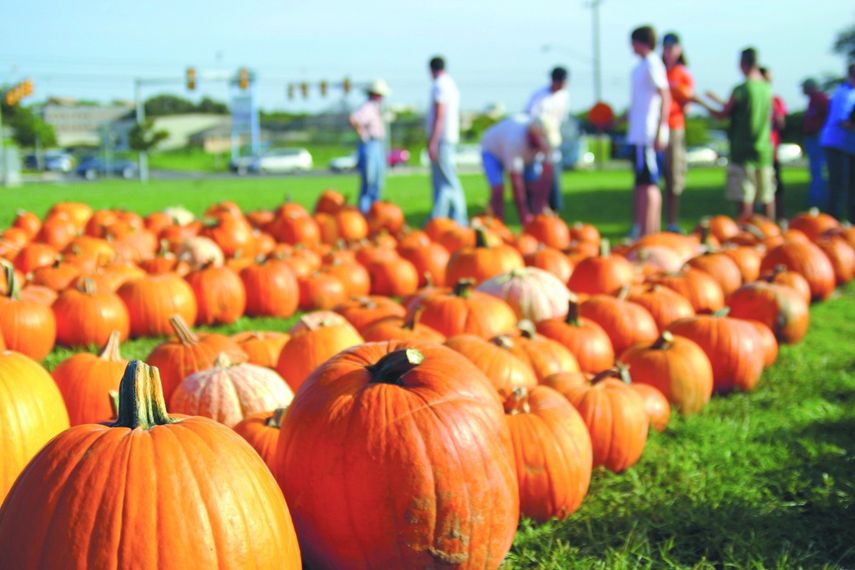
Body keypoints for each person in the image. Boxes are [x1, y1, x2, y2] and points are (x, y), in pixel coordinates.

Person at [695, 47, 775, 221]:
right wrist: (716, 99)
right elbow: (740, 110)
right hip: (764, 150)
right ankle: (771, 233)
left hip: (743, 151)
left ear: (743, 64)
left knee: (744, 197)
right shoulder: (766, 88)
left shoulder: (741, 89)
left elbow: (723, 114)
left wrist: (700, 102)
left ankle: (744, 234)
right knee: (767, 196)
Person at [627, 25, 670, 238]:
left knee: (649, 183)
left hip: (648, 133)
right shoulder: (642, 65)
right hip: (638, 133)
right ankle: (643, 229)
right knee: (642, 184)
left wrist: (662, 127)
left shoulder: (653, 63)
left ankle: (651, 232)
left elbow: (665, 95)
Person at [480, 113, 560, 225]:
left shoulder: (549, 145)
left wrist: (541, 204)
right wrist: (525, 216)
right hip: (492, 151)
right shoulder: (515, 140)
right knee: (498, 188)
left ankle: (535, 218)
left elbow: (546, 178)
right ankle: (497, 224)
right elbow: (516, 183)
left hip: (525, 154)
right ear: (535, 134)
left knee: (532, 185)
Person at [426, 56, 467, 225]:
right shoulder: (450, 83)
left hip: (442, 138)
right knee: (443, 181)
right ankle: (440, 218)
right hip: (448, 137)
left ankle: (458, 218)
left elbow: (439, 114)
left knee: (447, 179)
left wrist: (433, 141)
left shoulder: (439, 85)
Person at [660, 32, 694, 233]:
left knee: (674, 177)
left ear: (679, 50)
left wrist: (682, 99)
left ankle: (672, 221)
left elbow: (687, 106)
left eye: (672, 48)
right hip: (656, 128)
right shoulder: (658, 71)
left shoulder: (682, 74)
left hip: (674, 128)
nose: (668, 52)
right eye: (665, 48)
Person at [524, 66, 569, 213]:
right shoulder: (539, 96)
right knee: (534, 176)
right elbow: (530, 118)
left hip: (553, 139)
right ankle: (535, 210)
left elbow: (562, 120)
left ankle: (553, 209)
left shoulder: (564, 96)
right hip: (538, 139)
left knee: (553, 175)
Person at [819, 63, 855, 222]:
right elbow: (844, 122)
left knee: (851, 186)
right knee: (838, 186)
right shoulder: (844, 94)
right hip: (837, 144)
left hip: (849, 146)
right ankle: (832, 223)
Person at [349, 79, 390, 213]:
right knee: (370, 182)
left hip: (378, 144)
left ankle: (375, 211)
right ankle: (365, 213)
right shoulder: (367, 107)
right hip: (370, 144)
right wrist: (362, 133)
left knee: (378, 182)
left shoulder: (377, 108)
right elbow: (354, 119)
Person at [760, 67, 788, 219]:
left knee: (775, 186)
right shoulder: (767, 98)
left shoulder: (775, 100)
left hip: (772, 148)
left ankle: (778, 217)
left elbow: (781, 122)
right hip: (762, 148)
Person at [802, 78, 830, 209]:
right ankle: (816, 200)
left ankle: (819, 202)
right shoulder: (813, 99)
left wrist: (821, 131)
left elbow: (828, 116)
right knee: (815, 170)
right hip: (812, 137)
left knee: (818, 169)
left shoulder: (820, 98)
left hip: (817, 138)